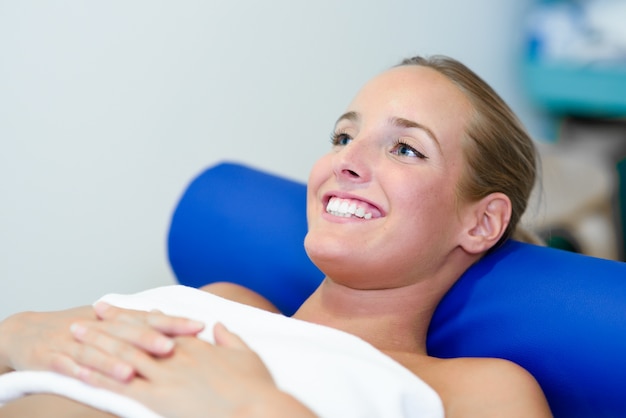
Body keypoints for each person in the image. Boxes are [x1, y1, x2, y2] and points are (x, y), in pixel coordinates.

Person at [0, 55, 552, 417]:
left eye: (405, 148)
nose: (346, 162)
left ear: (480, 222)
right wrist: (16, 333)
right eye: (343, 135)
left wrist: (255, 407)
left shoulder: (478, 390)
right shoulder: (221, 300)